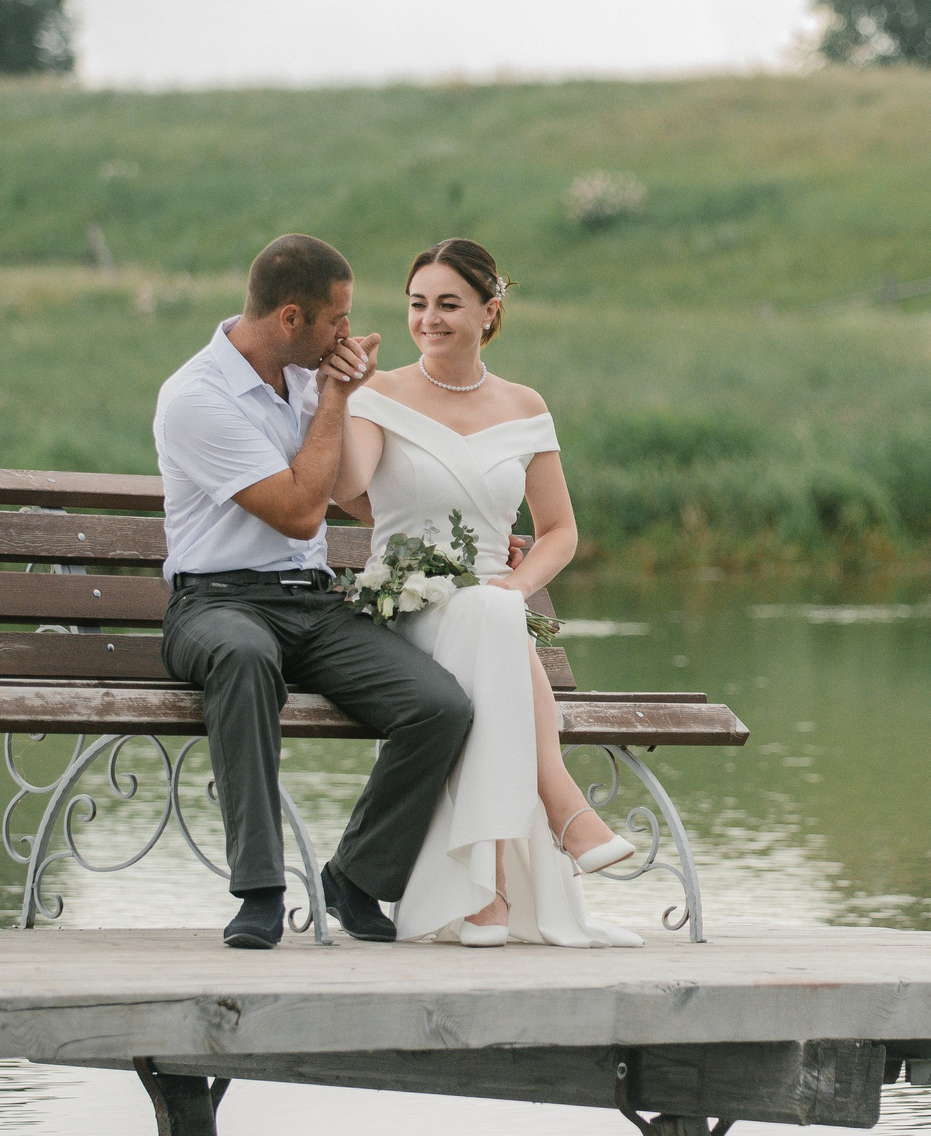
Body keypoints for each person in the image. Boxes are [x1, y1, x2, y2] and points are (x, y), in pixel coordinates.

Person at [153, 232, 474, 949]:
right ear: (290, 318)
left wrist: (473, 528)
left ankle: (354, 876)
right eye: (338, 320)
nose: (349, 337)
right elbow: (300, 508)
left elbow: (356, 496)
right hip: (216, 606)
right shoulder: (197, 397)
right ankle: (261, 891)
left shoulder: (305, 380)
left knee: (440, 706)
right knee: (242, 657)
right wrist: (336, 395)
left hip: (312, 602)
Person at [331, 237, 641, 947]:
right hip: (405, 611)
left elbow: (559, 530)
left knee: (491, 613)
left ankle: (488, 896)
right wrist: (344, 396)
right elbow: (347, 487)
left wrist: (517, 582)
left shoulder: (525, 405)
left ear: (489, 311)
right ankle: (564, 807)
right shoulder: (381, 395)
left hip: (491, 612)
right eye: (417, 304)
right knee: (490, 620)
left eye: (448, 304)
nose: (429, 319)